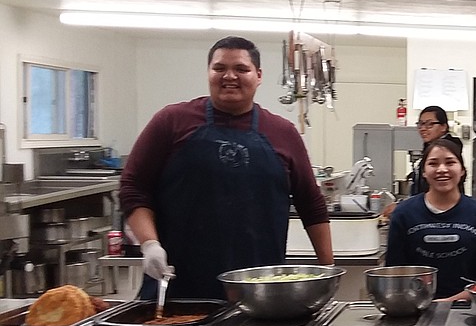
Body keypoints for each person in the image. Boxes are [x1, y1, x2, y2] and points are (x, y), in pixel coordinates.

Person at [120, 35, 333, 300]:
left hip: (261, 289)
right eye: (219, 68)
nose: (229, 76)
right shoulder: (171, 121)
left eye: (241, 69)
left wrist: (328, 270)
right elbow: (133, 187)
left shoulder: (283, 133)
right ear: (208, 72)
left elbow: (310, 203)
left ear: (258, 75)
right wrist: (150, 244)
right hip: (178, 284)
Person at [384, 137, 476, 300]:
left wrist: (445, 303)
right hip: (413, 307)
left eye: (450, 162)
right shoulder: (404, 214)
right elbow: (394, 273)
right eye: (433, 163)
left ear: (462, 170)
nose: (442, 169)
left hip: (467, 309)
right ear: (423, 171)